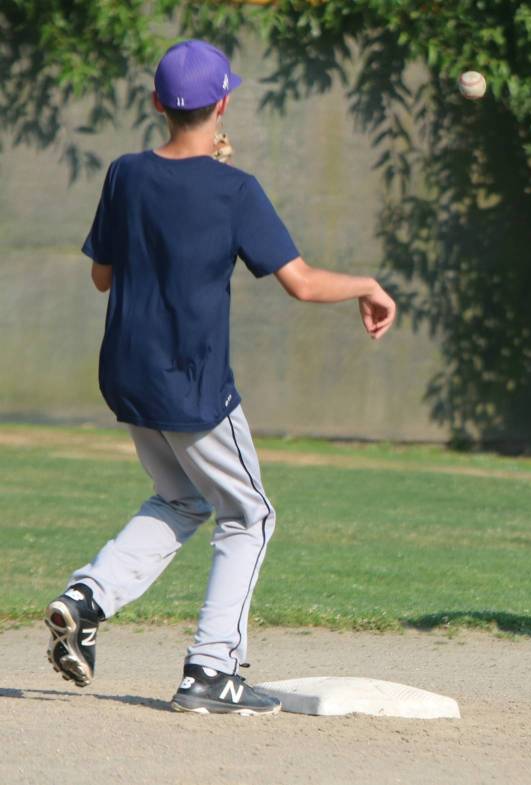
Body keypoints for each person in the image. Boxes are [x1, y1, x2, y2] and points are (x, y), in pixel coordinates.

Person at [44, 39, 397, 714]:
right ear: (224, 104)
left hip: (127, 374)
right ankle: (210, 669)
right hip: (190, 381)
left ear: (157, 105)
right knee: (251, 514)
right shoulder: (236, 188)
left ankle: (86, 596)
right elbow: (300, 283)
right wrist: (367, 284)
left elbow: (101, 277)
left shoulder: (124, 174)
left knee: (180, 499)